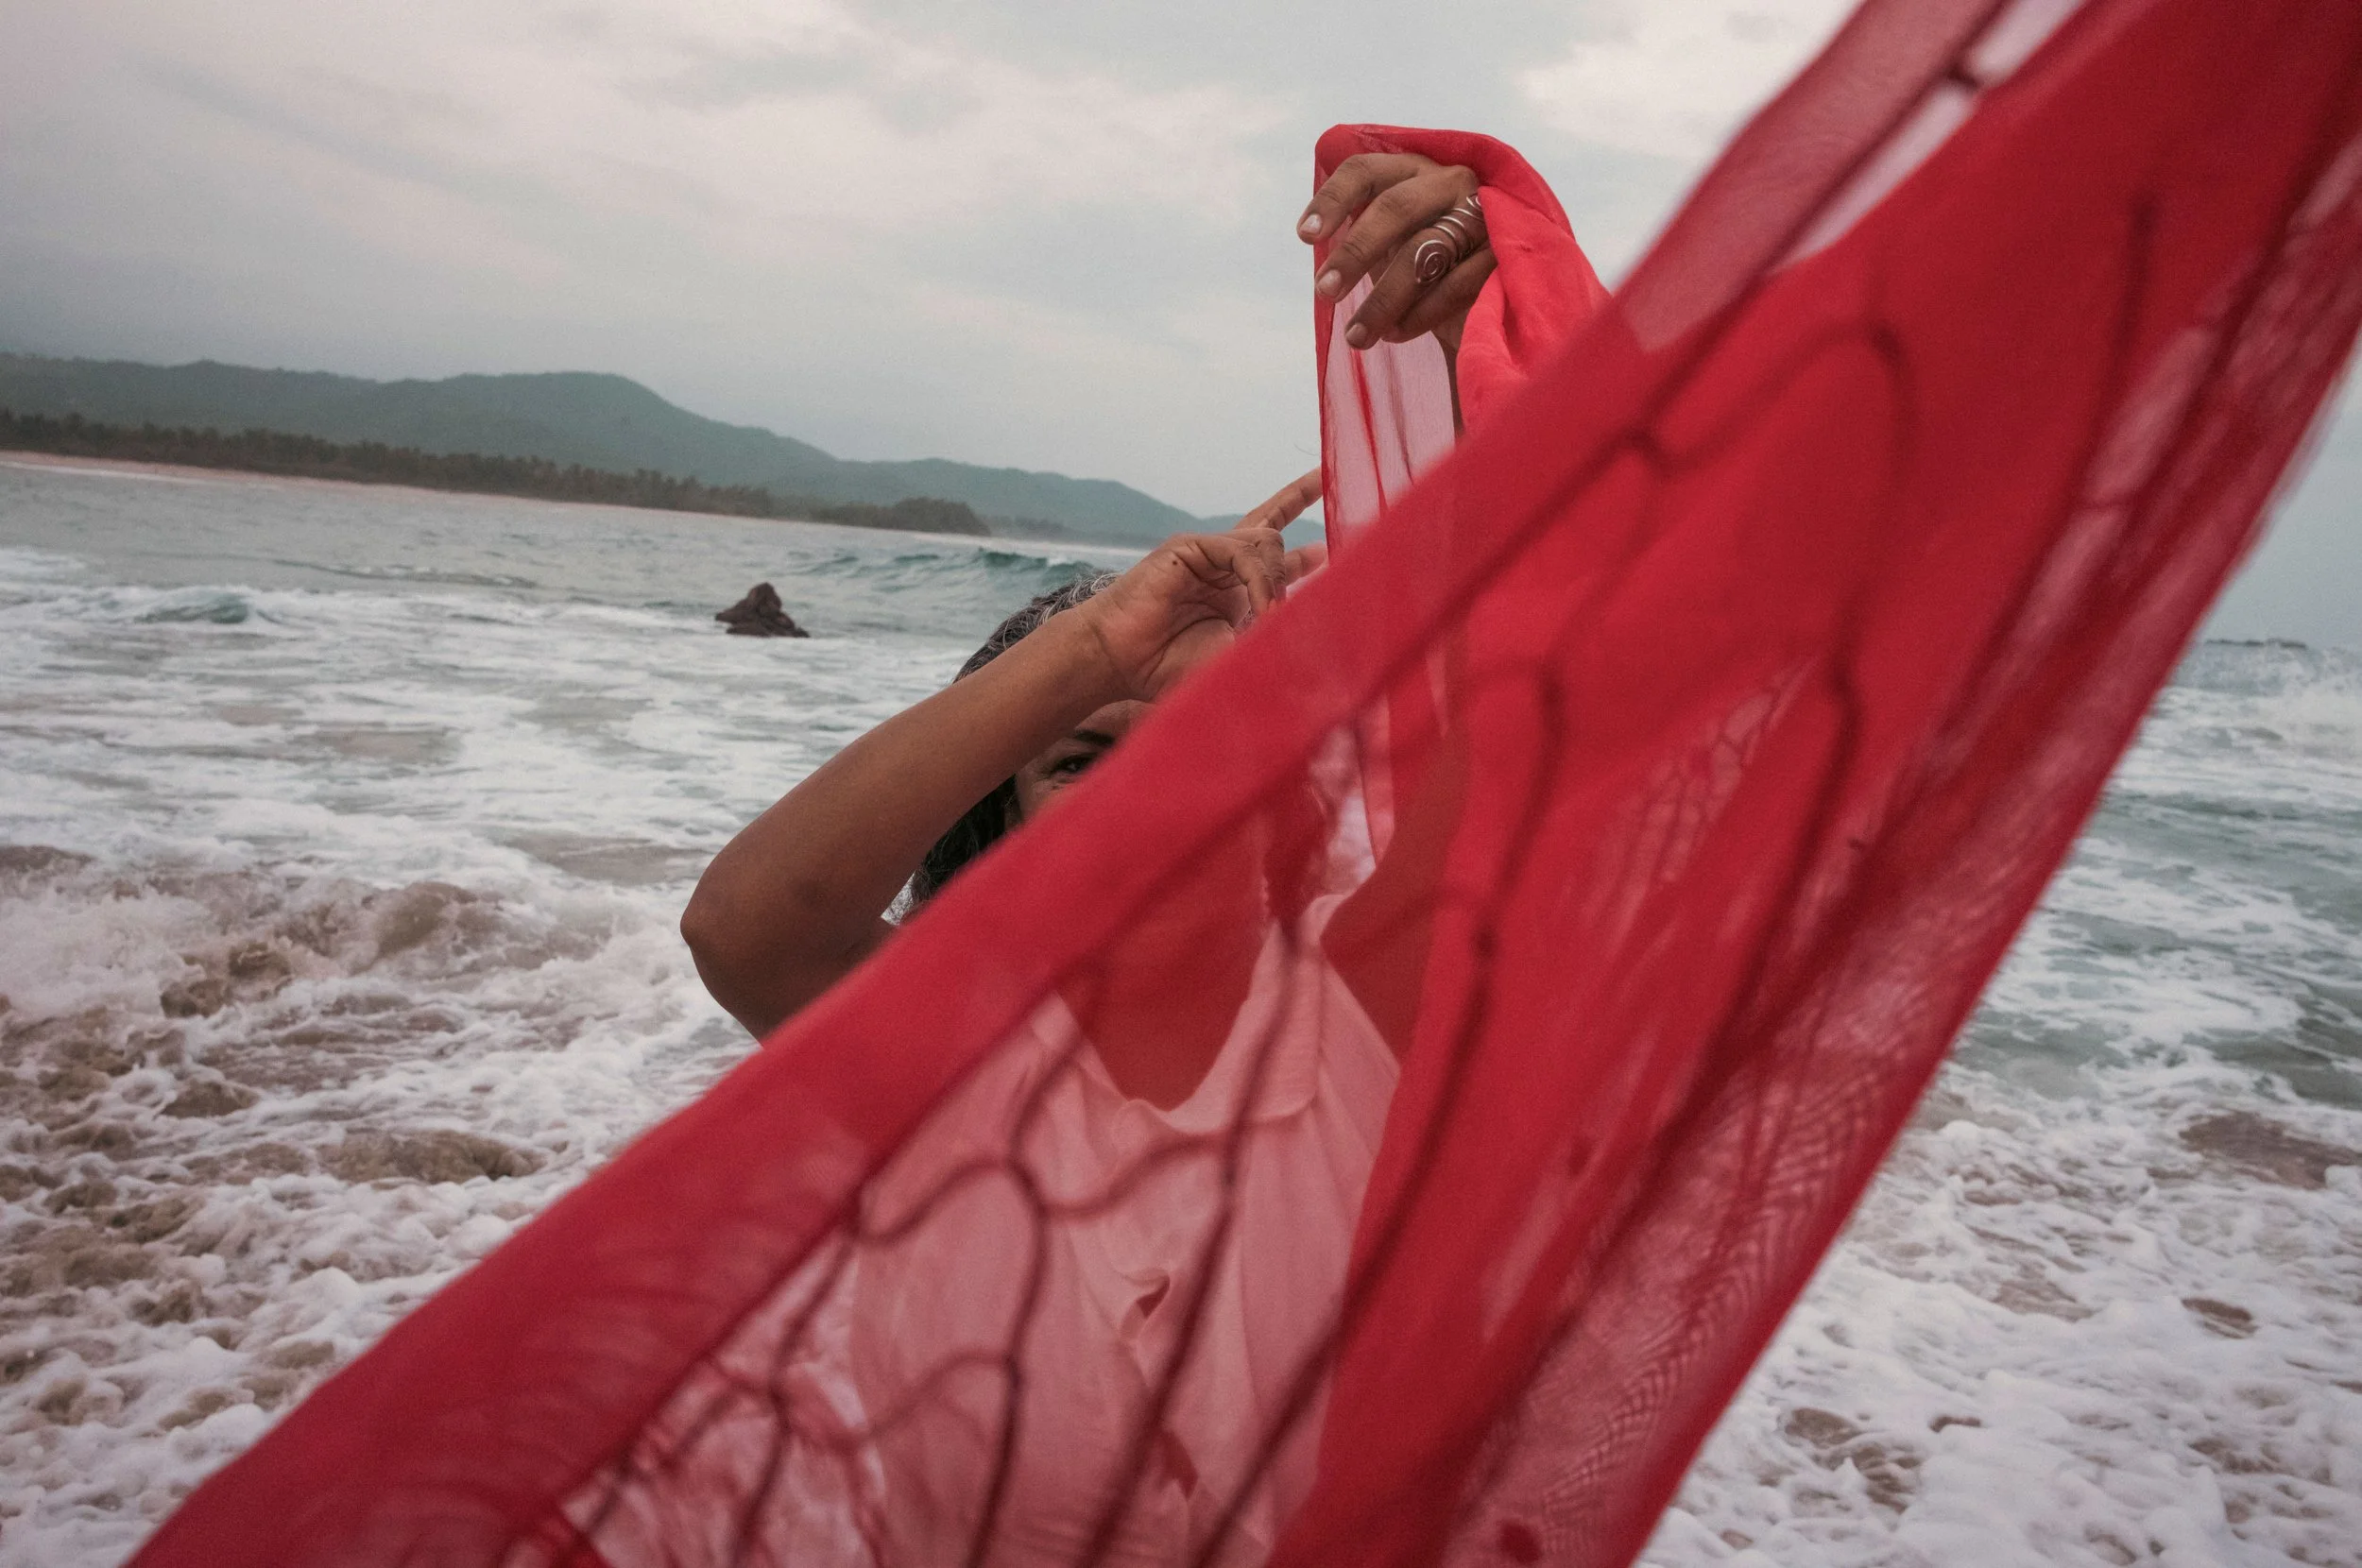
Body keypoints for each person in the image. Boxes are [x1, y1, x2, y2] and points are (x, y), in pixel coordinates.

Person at [676, 151, 1498, 1567]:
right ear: (1001, 819)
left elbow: (1558, 693)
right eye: (1084, 762)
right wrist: (1101, 647)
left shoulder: (1372, 1014)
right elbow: (748, 928)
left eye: (1213, 756)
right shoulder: (945, 1057)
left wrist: (1476, 347)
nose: (1152, 807)